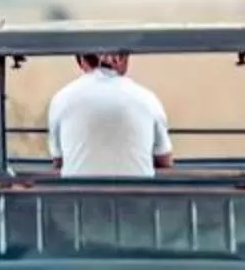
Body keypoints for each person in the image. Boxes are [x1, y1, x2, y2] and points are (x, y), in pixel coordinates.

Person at [45, 50, 172, 178]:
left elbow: (59, 161)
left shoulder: (61, 99)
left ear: (82, 61)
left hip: (78, 191)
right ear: (120, 59)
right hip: (136, 190)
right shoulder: (147, 98)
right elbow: (164, 160)